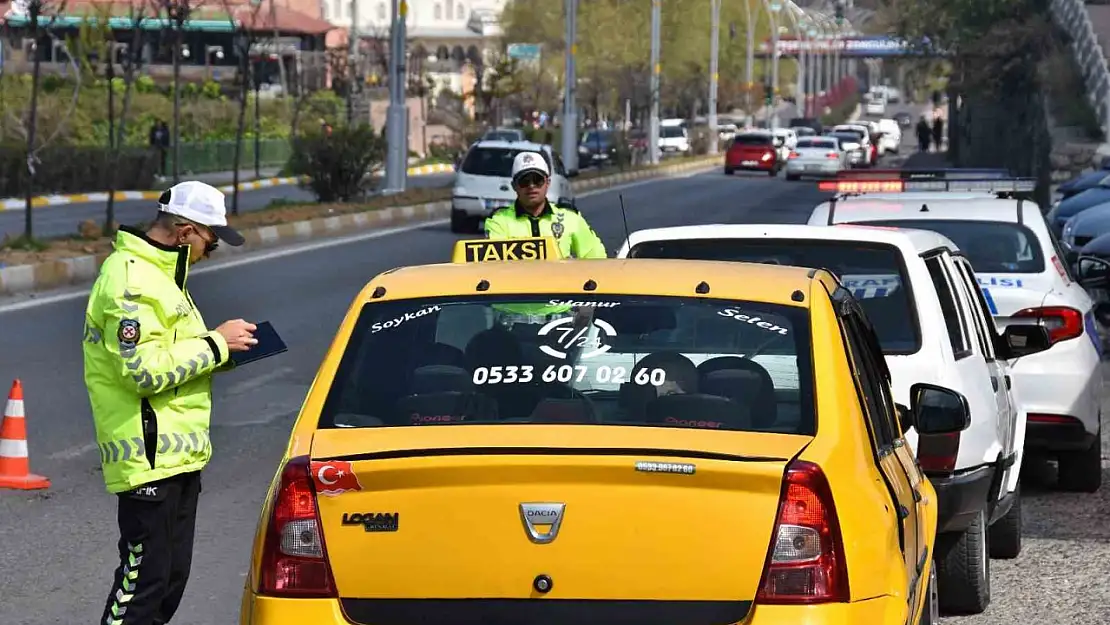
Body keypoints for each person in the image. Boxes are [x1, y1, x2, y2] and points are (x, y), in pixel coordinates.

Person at [83, 180, 256, 625]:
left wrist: (225, 350)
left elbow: (176, 358)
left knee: (168, 586)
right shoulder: (130, 280)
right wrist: (216, 343)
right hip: (147, 460)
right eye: (211, 241)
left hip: (179, 461)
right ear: (185, 231)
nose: (210, 251)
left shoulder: (163, 279)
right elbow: (140, 371)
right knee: (141, 589)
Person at [485, 151, 607, 260]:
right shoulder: (499, 221)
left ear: (547, 182)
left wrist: (575, 268)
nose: (531, 186)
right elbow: (495, 266)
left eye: (537, 180)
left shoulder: (569, 217)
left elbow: (597, 258)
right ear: (514, 186)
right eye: (524, 181)